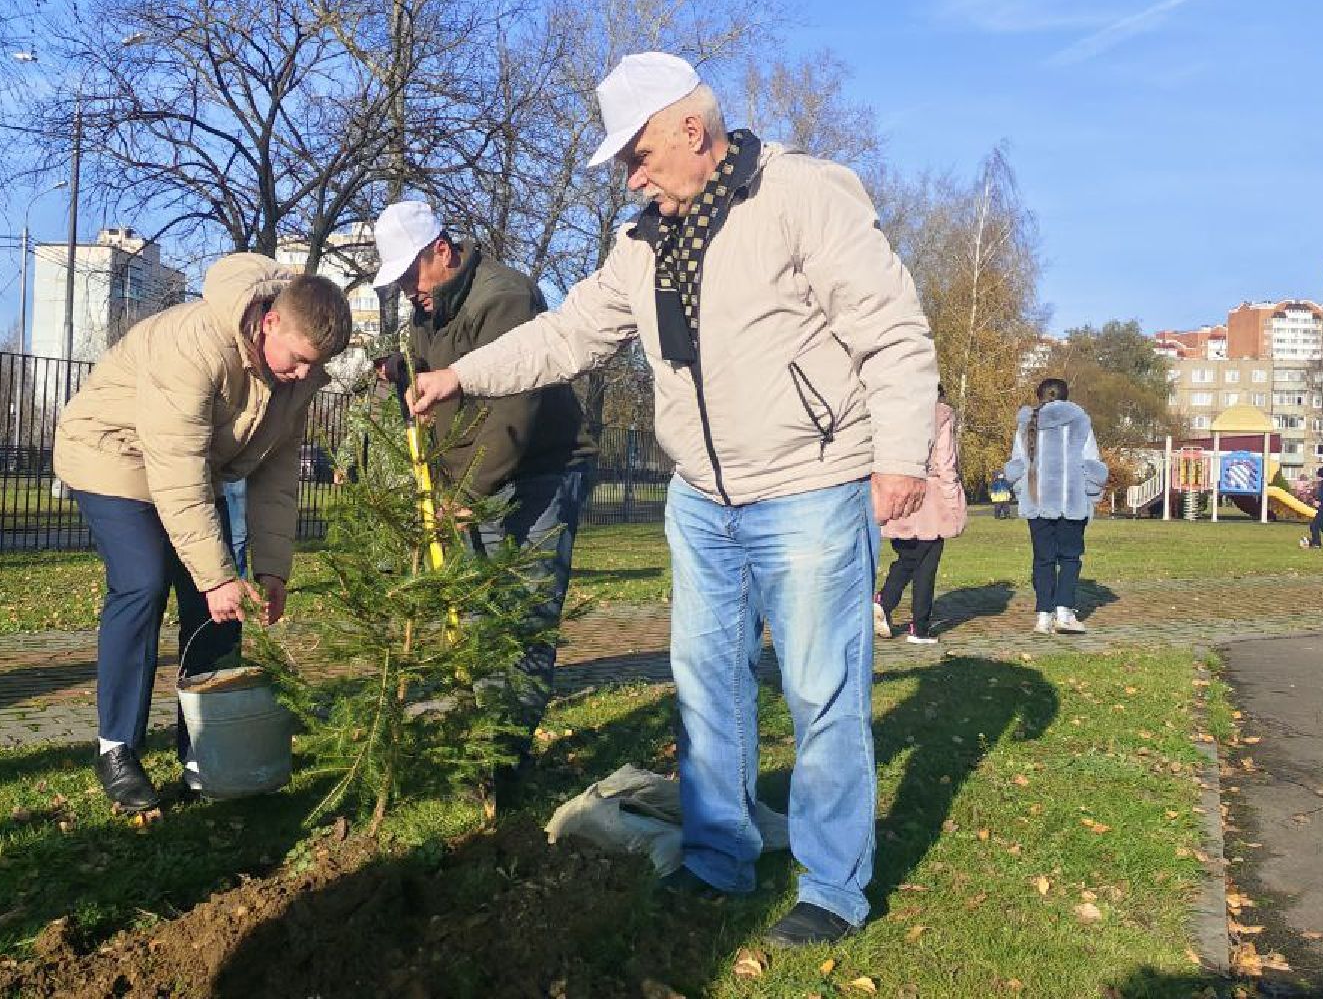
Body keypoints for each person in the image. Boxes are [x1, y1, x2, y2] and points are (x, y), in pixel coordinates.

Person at [408, 51, 938, 947]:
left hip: (807, 486)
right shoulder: (639, 244)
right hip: (700, 500)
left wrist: (898, 456)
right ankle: (721, 860)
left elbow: (892, 328)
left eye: (639, 154)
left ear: (693, 130)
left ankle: (833, 887)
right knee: (705, 686)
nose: (631, 173)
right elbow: (568, 334)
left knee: (821, 690)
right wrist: (462, 371)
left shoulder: (804, 197)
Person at [54, 254, 351, 811]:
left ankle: (204, 738)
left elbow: (278, 475)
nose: (306, 375)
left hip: (192, 468)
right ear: (270, 323)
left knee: (219, 606)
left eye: (318, 365)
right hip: (111, 452)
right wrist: (215, 573)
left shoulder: (297, 375)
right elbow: (176, 464)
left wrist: (270, 569)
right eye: (301, 360)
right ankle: (116, 747)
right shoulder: (195, 344)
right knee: (143, 581)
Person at [371, 199, 598, 787]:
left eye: (408, 276)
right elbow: (440, 389)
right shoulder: (430, 308)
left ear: (440, 252)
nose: (406, 292)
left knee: (523, 612)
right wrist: (404, 374)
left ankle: (504, 758)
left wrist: (469, 492)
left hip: (540, 469)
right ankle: (485, 735)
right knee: (479, 610)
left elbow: (512, 407)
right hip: (473, 479)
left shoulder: (505, 297)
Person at [1003, 378, 1107, 636]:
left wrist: (1021, 492)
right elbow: (1091, 463)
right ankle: (1065, 612)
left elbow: (1017, 464)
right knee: (1070, 558)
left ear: (1039, 396)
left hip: (1037, 502)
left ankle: (1043, 616)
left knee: (1043, 559)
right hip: (1072, 501)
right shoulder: (1080, 420)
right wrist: (1092, 494)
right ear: (1066, 395)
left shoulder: (1028, 422)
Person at [873, 387, 966, 645]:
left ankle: (886, 604)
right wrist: (954, 505)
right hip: (930, 500)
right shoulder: (941, 417)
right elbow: (946, 464)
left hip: (898, 496)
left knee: (908, 557)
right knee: (926, 563)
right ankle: (915, 624)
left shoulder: (891, 414)